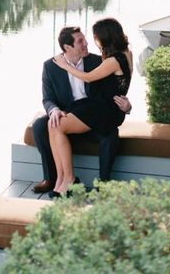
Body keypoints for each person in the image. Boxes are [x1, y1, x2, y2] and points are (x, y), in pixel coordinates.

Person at [31, 25, 131, 194]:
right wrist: (54, 110)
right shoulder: (50, 66)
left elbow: (114, 90)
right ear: (67, 47)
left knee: (110, 133)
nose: (86, 44)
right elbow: (47, 98)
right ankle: (53, 179)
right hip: (68, 114)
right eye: (80, 42)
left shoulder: (98, 61)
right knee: (41, 124)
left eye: (85, 39)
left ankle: (101, 183)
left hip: (92, 115)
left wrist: (127, 107)